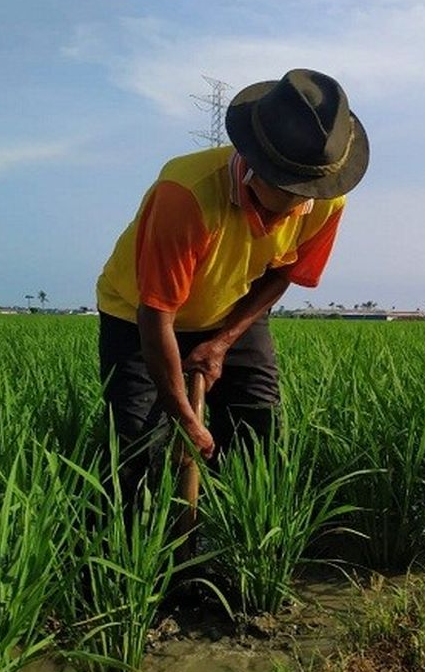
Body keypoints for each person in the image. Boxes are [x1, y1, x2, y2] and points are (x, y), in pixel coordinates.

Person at [94, 69, 369, 496]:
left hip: (236, 304)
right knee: (136, 441)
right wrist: (186, 419)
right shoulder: (186, 194)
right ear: (254, 165)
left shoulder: (326, 198)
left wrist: (222, 342)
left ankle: (233, 528)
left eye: (307, 192)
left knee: (257, 424)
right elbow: (156, 315)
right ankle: (133, 546)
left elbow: (283, 274)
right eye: (287, 190)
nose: (298, 205)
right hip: (138, 317)